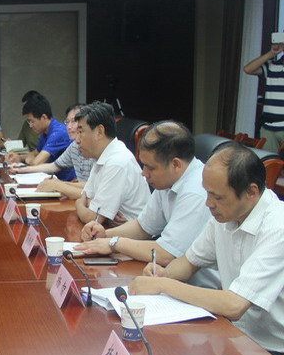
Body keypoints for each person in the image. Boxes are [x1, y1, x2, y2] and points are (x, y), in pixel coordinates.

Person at [129, 143, 284, 355]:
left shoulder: (278, 227)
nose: (208, 203)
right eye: (207, 193)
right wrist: (163, 274)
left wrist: (163, 285)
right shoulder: (225, 215)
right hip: (235, 335)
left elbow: (234, 305)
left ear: (251, 192)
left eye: (217, 197)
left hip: (274, 351)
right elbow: (189, 262)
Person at [77, 121, 219, 289]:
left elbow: (167, 254)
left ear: (175, 164)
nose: (144, 173)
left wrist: (113, 243)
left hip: (202, 290)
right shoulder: (168, 180)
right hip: (170, 279)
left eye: (150, 167)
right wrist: (104, 235)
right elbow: (143, 227)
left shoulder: (196, 191)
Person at [74, 101, 149, 225]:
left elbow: (93, 218)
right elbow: (86, 197)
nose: (77, 140)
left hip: (130, 234)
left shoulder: (117, 162)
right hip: (110, 229)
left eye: (81, 132)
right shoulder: (102, 155)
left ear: (99, 132)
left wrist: (79, 204)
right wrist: (98, 210)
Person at [7, 100, 81, 188]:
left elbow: (35, 162)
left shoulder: (59, 133)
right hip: (61, 183)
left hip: (68, 182)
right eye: (67, 122)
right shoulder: (73, 146)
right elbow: (52, 165)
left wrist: (29, 161)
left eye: (32, 121)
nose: (68, 127)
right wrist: (20, 161)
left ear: (43, 117)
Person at [242, 33, 284, 153]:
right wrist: (272, 53)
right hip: (268, 128)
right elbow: (248, 69)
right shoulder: (272, 66)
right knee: (268, 162)